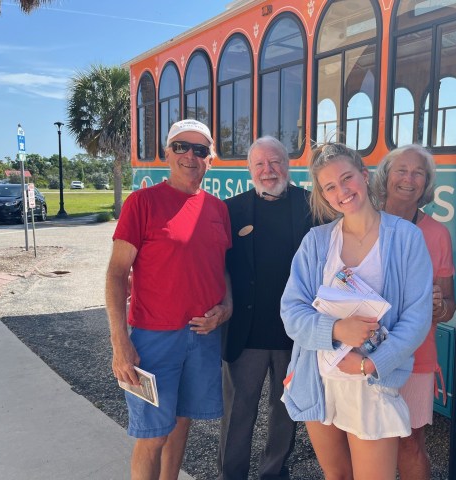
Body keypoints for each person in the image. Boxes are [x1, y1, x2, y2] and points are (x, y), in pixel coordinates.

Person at [280, 142, 433, 480]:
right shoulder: (316, 242)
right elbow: (291, 311)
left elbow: (417, 318)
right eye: (330, 187)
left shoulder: (406, 238)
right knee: (336, 476)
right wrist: (337, 329)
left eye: (347, 178)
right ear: (324, 195)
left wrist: (370, 363)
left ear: (364, 176)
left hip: (370, 385)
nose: (342, 191)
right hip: (318, 380)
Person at [106, 119, 232, 480]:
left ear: (211, 159)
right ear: (167, 152)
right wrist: (120, 342)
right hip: (153, 339)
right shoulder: (141, 203)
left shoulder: (217, 209)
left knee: (180, 425)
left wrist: (227, 308)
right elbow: (116, 274)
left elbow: (220, 268)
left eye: (200, 149)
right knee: (153, 434)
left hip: (203, 338)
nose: (190, 156)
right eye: (181, 147)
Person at [216, 136, 312, 480]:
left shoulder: (311, 204)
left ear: (287, 165)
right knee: (238, 412)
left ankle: (274, 472)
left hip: (296, 335)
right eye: (260, 164)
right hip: (246, 333)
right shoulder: (231, 209)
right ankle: (232, 474)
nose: (268, 170)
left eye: (275, 162)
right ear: (249, 169)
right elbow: (217, 265)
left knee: (286, 411)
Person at [373, 144, 456, 480]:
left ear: (426, 183)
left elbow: (450, 306)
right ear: (386, 177)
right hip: (362, 353)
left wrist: (440, 306)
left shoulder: (437, 234)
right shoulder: (363, 221)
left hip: (416, 356)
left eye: (418, 172)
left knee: (410, 442)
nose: (409, 179)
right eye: (401, 170)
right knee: (365, 438)